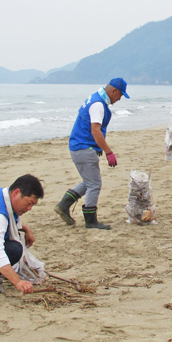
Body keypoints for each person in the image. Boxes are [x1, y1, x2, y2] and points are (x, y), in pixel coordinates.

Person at [54, 78, 130, 230]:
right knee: (95, 184)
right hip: (83, 148)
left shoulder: (95, 99)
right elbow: (95, 130)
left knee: (88, 181)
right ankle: (90, 220)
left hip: (78, 146)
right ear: (113, 91)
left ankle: (64, 205)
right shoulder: (98, 105)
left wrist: (98, 147)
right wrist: (109, 151)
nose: (119, 99)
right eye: (120, 95)